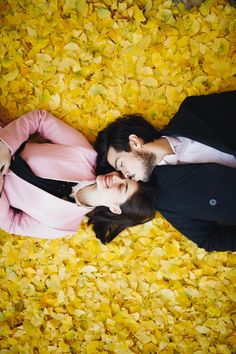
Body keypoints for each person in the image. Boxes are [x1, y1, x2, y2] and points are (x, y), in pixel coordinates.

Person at [94, 90, 236, 251]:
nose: (125, 174)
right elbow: (209, 239)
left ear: (134, 142)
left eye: (121, 164)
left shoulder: (194, 111)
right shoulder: (164, 199)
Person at [0, 110, 156, 243]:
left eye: (122, 187)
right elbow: (40, 119)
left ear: (115, 209)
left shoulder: (62, 226)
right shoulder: (84, 153)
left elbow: (12, 224)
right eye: (122, 175)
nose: (116, 177)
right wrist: (5, 145)